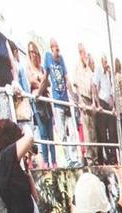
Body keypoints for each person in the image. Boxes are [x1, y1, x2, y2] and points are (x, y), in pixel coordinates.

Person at [41, 39, 77, 167]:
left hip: (66, 101)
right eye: (56, 49)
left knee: (71, 131)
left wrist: (74, 97)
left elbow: (67, 79)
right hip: (57, 102)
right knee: (62, 133)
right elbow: (45, 76)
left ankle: (74, 158)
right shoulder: (47, 57)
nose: (58, 52)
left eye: (58, 49)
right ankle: (68, 160)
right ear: (51, 48)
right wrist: (39, 93)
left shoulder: (61, 59)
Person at [25, 40, 53, 167]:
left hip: (46, 101)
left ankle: (54, 161)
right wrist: (41, 82)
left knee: (50, 132)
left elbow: (48, 83)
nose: (34, 54)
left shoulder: (41, 68)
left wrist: (41, 83)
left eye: (35, 52)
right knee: (43, 133)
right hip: (38, 103)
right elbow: (32, 82)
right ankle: (46, 161)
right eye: (31, 52)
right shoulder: (28, 68)